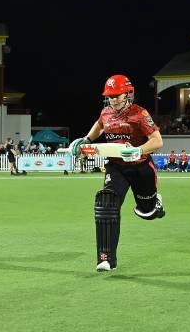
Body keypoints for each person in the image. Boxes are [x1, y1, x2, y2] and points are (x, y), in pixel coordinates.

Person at [68, 75, 165, 272]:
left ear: (128, 94)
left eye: (117, 95)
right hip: (116, 166)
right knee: (106, 202)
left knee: (147, 213)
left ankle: (154, 203)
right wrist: (86, 139)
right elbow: (100, 125)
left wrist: (139, 150)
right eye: (110, 96)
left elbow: (157, 141)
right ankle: (105, 259)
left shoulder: (140, 113)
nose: (113, 99)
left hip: (140, 167)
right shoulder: (106, 113)